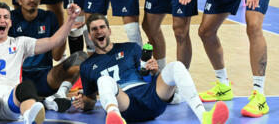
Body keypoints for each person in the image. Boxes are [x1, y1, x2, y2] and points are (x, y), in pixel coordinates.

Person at [72, 14, 229, 124]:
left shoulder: (131, 48)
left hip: (152, 98)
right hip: (126, 104)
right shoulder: (87, 66)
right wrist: (83, 103)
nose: (99, 31)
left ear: (109, 30)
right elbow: (91, 99)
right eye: (94, 29)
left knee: (176, 66)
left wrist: (154, 71)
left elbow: (146, 74)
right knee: (104, 80)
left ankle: (205, 118)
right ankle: (115, 119)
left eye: (102, 27)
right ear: (90, 37)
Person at [9, 0, 87, 112]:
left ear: (40, 0)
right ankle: (42, 100)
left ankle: (60, 95)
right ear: (19, 1)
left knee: (81, 57)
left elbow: (56, 56)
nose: (32, 0)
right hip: (20, 78)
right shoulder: (11, 18)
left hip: (46, 77)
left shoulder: (49, 17)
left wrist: (65, 32)